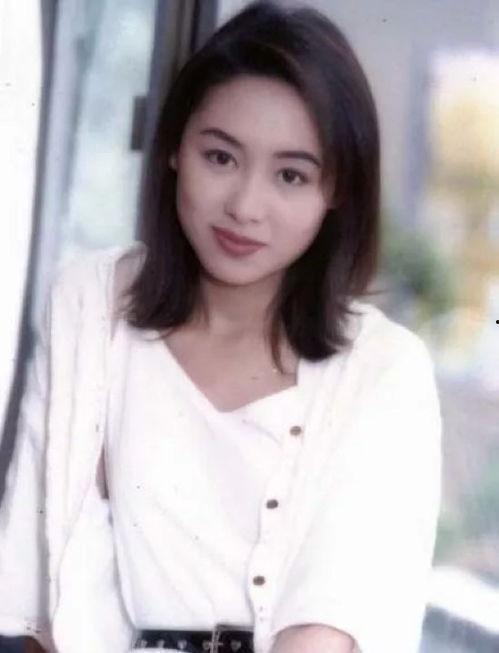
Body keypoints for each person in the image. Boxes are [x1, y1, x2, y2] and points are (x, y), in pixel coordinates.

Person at [0, 2, 442, 652]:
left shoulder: (383, 367)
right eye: (220, 157)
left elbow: (332, 621)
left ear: (337, 190)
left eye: (290, 175)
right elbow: (50, 596)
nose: (245, 206)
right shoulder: (90, 304)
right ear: (174, 148)